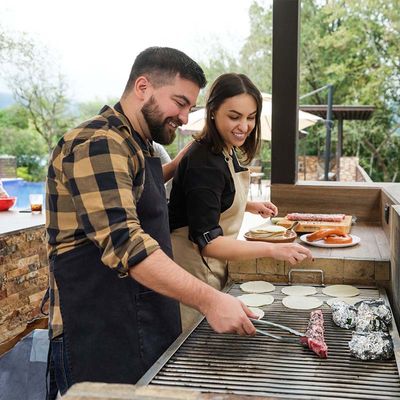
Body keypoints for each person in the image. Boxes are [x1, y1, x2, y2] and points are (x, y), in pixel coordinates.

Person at [45, 47, 258, 398]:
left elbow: (138, 185)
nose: (186, 117)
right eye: (180, 102)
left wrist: (177, 163)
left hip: (139, 321)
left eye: (190, 107)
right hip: (96, 333)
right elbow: (126, 244)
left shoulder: (136, 143)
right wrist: (210, 300)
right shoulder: (97, 143)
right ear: (143, 86)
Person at [168, 73, 313, 329]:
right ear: (212, 112)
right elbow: (209, 243)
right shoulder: (204, 162)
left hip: (209, 268)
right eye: (234, 117)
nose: (244, 126)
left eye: (251, 117)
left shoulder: (226, 148)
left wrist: (247, 205)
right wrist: (272, 249)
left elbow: (212, 197)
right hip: (193, 271)